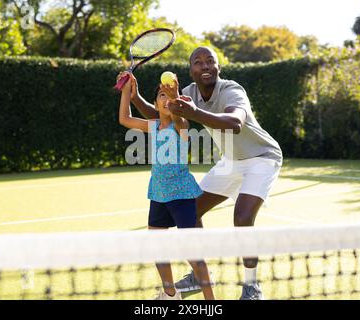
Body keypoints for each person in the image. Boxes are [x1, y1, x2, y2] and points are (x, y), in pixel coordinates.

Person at [127, 47, 283, 300]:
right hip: (230, 161)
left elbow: (235, 123)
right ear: (191, 71)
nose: (205, 66)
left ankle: (252, 285)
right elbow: (160, 118)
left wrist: (194, 113)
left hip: (262, 158)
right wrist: (134, 97)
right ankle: (200, 275)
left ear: (218, 67)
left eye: (210, 61)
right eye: (198, 63)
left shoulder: (232, 90)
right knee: (191, 210)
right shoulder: (188, 93)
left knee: (243, 218)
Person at [117, 71, 215, 300]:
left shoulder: (181, 126)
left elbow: (181, 117)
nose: (166, 99)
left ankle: (212, 303)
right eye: (161, 95)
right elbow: (124, 119)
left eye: (168, 96)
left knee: (192, 252)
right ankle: (171, 294)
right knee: (157, 247)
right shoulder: (153, 126)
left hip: (181, 194)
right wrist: (125, 91)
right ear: (155, 103)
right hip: (158, 194)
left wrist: (175, 96)